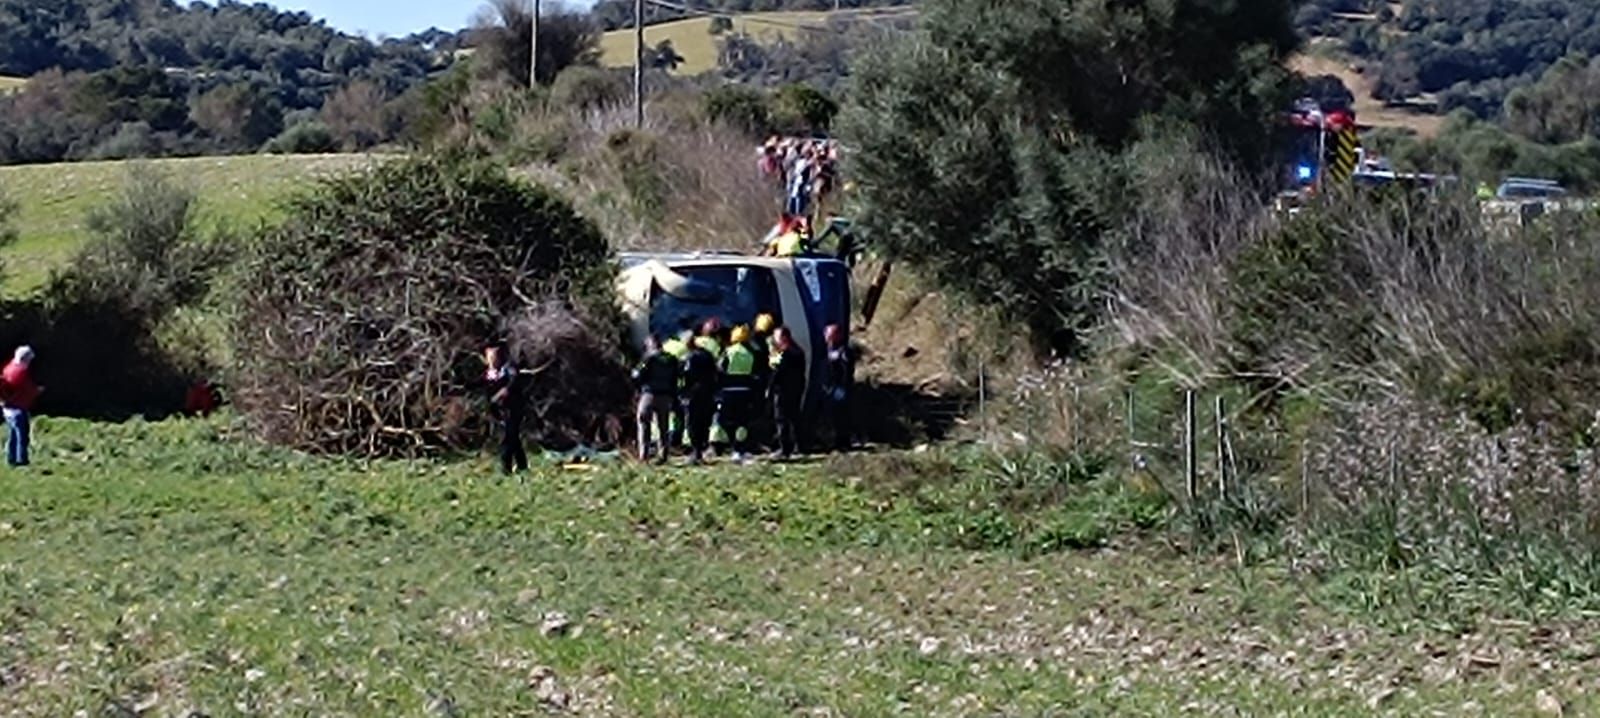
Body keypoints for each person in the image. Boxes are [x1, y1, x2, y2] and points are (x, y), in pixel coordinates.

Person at [632, 336, 680, 464]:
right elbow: (677, 377)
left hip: (650, 394)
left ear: (650, 345)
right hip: (666, 395)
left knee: (643, 422)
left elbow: (638, 375)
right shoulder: (672, 359)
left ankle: (644, 455)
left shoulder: (649, 358)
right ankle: (663, 454)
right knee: (663, 426)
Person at [484, 342, 527, 475]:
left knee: (507, 439)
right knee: (513, 439)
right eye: (489, 357)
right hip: (500, 410)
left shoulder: (509, 368)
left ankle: (506, 469)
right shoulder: (490, 373)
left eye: (494, 357)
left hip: (513, 408)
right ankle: (522, 465)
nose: (491, 360)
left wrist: (501, 393)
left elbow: (512, 384)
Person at [719, 326, 759, 463]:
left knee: (725, 420)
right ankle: (740, 448)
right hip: (745, 390)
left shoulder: (729, 352)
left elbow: (721, 368)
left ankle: (734, 446)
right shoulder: (750, 353)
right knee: (742, 422)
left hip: (729, 390)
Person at [767, 326, 806, 460]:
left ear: (784, 337)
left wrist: (770, 388)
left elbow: (777, 373)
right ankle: (799, 446)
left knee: (781, 419)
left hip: (783, 390)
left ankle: (784, 449)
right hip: (796, 389)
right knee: (795, 418)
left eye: (776, 336)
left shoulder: (785, 354)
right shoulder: (799, 352)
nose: (774, 339)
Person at [681, 336, 720, 464]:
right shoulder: (708, 355)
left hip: (694, 394)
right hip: (708, 393)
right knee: (705, 423)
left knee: (693, 423)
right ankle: (701, 451)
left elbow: (687, 375)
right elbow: (716, 372)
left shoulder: (691, 357)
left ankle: (696, 452)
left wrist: (684, 391)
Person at [1, 346, 42, 468]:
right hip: (17, 407)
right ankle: (22, 460)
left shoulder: (8, 368)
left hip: (7, 407)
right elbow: (26, 389)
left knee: (13, 434)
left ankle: (11, 459)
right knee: (22, 436)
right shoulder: (21, 372)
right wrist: (37, 390)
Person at [822, 324, 858, 452]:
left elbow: (847, 370)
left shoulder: (844, 351)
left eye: (830, 334)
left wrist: (842, 386)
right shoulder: (827, 350)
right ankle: (837, 441)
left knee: (843, 415)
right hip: (830, 387)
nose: (827, 336)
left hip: (841, 388)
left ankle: (845, 442)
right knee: (834, 416)